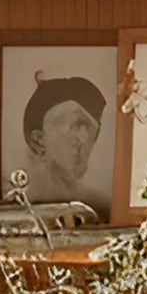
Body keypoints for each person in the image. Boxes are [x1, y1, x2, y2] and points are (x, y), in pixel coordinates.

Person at [20, 73, 108, 214]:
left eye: (88, 127)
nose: (82, 138)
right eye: (72, 125)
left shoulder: (100, 205)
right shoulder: (20, 197)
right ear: (38, 140)